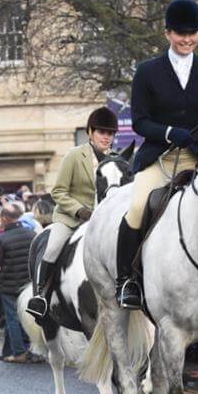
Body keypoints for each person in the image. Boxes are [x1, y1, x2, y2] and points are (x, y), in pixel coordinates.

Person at [115, 0, 198, 309]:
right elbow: (139, 121)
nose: (187, 39)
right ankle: (128, 281)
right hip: (159, 157)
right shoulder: (147, 71)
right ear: (167, 34)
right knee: (137, 207)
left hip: (196, 155)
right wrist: (168, 132)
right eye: (180, 33)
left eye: (192, 33)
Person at [26, 107, 118, 319]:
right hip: (71, 219)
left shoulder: (116, 160)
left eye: (110, 133)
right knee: (52, 249)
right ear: (90, 132)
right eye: (102, 132)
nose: (106, 137)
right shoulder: (74, 156)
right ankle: (40, 296)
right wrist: (80, 210)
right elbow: (58, 191)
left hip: (103, 221)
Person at [0, 203, 38, 362]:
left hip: (9, 285)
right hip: (29, 285)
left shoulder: (2, 238)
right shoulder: (32, 234)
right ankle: (25, 350)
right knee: (29, 317)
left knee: (12, 318)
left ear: (5, 218)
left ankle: (19, 352)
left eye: (0, 217)